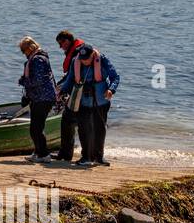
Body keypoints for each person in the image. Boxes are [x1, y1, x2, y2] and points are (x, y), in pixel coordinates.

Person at [57, 43, 119, 166]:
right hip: (83, 101)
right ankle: (86, 157)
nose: (84, 62)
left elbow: (115, 77)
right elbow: (70, 78)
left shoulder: (102, 60)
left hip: (101, 101)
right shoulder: (76, 61)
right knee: (84, 129)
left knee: (99, 129)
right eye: (82, 59)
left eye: (87, 59)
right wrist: (63, 90)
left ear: (92, 55)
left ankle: (98, 157)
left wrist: (111, 89)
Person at [17, 37, 58, 161]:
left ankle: (44, 155)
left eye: (24, 51)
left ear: (30, 48)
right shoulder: (38, 57)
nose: (24, 54)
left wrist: (23, 81)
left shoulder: (37, 59)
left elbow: (37, 80)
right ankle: (38, 152)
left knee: (36, 128)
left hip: (43, 98)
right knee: (36, 127)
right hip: (40, 97)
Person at [51, 30, 86, 161]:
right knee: (78, 124)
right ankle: (86, 155)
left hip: (77, 94)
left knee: (67, 122)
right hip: (83, 94)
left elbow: (72, 77)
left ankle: (66, 155)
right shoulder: (80, 50)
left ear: (67, 41)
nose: (61, 47)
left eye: (61, 44)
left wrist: (60, 90)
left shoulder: (76, 53)